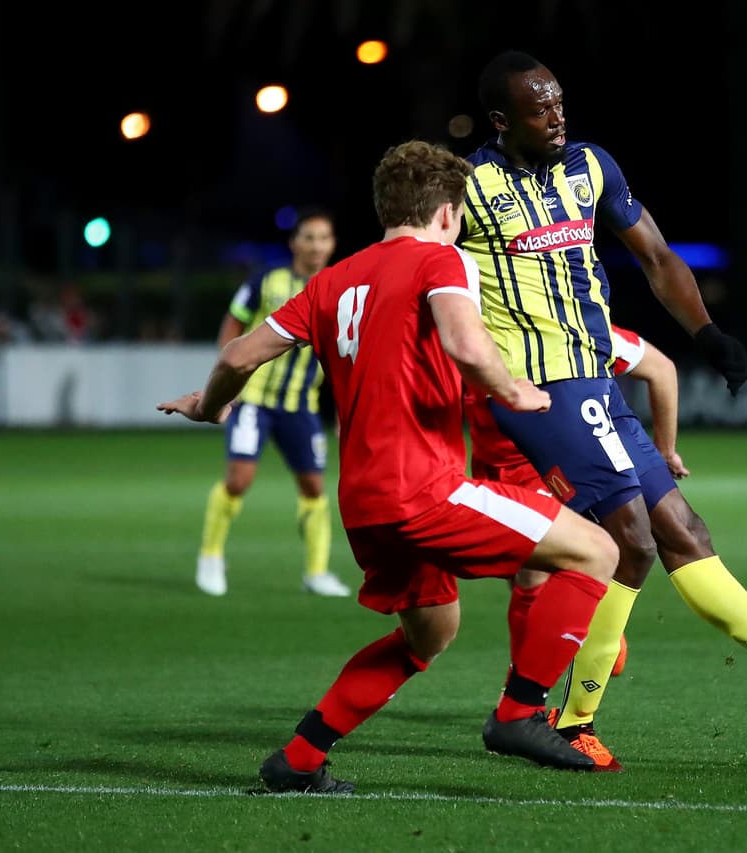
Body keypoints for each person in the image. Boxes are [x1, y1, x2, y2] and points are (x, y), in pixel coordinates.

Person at [458, 50, 747, 771]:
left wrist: (705, 331)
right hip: (539, 389)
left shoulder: (591, 167)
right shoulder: (470, 188)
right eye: (538, 108)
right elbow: (418, 275)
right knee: (632, 540)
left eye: (559, 103)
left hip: (595, 381)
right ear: (499, 120)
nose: (556, 116)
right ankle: (560, 719)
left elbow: (657, 255)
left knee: (682, 529)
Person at [158, 140, 619, 791]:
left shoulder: (331, 280)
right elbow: (463, 339)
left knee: (429, 634)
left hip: (365, 504)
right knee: (597, 549)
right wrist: (510, 388)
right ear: (450, 212)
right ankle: (519, 711)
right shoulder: (442, 259)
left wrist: (209, 407)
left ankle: (299, 758)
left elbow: (238, 356)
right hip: (426, 490)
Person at [467, 323, 689, 680]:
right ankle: (589, 624)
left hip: (544, 467)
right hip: (488, 470)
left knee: (532, 569)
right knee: (521, 575)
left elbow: (661, 369)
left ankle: (524, 696)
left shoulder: (572, 328)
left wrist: (665, 453)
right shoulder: (463, 327)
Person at [195, 207, 352, 598]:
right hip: (254, 400)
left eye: (324, 238)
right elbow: (235, 321)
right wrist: (225, 377)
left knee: (314, 487)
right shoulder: (268, 280)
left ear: (333, 244)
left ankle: (316, 572)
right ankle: (211, 557)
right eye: (309, 237)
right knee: (239, 480)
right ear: (294, 242)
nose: (317, 246)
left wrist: (345, 406)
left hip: (301, 404)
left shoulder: (338, 287)